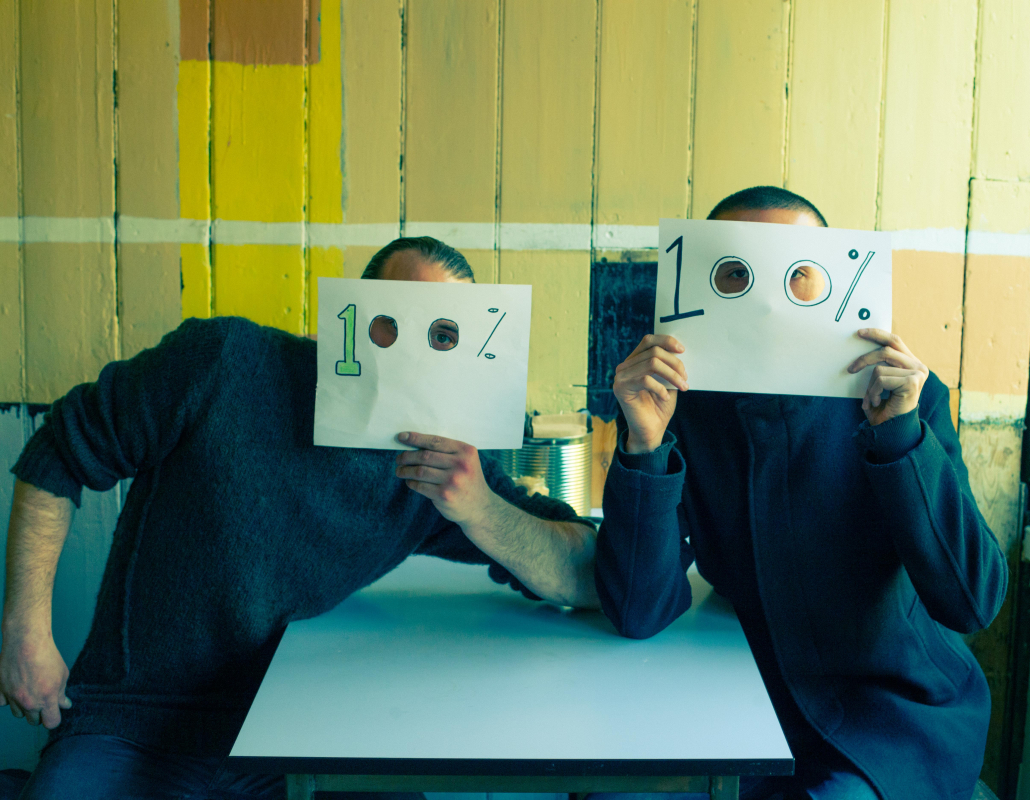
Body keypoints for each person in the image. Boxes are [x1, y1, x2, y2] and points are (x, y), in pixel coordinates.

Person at [0, 236, 599, 799]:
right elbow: (60, 451)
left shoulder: (441, 466)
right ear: (350, 320)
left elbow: (582, 572)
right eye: (392, 322)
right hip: (130, 718)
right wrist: (25, 634)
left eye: (444, 335)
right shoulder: (224, 361)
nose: (413, 351)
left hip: (292, 732)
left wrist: (481, 509)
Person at [595, 187, 1007, 800]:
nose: (765, 301)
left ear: (831, 284)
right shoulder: (681, 406)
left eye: (796, 276)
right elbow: (638, 609)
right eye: (735, 275)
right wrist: (644, 443)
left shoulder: (903, 400)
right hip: (742, 704)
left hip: (893, 716)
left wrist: (901, 435)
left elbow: (973, 602)